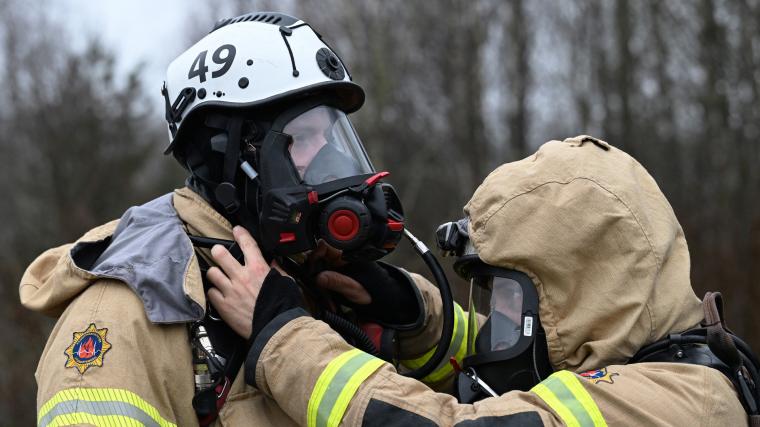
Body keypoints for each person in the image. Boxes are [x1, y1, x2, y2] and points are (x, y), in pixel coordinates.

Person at [19, 12, 443, 426]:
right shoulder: (129, 313)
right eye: (303, 137)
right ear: (226, 158)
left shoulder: (308, 276)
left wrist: (409, 310)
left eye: (331, 136)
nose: (332, 164)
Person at [209, 135, 759, 426]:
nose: (497, 322)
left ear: (581, 287)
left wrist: (283, 335)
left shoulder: (663, 408)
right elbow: (518, 347)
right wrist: (412, 311)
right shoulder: (664, 364)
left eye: (510, 294)